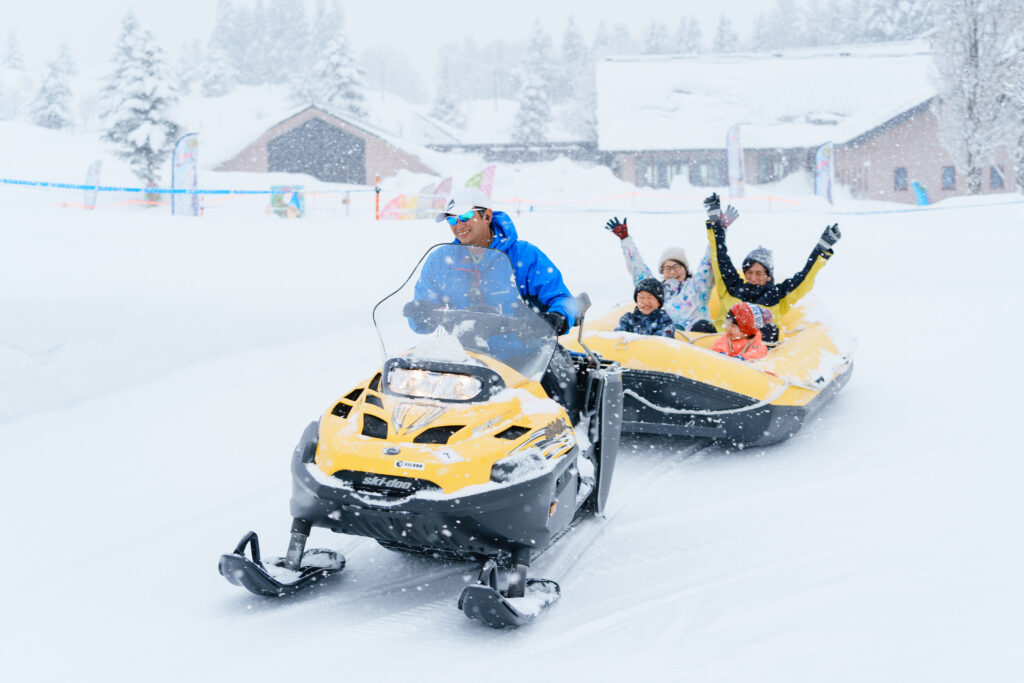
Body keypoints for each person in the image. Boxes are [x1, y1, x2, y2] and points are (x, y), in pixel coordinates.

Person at [404, 187, 579, 413]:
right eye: (451, 219)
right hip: (466, 360)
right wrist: (421, 312)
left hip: (526, 358)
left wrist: (557, 317)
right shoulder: (441, 260)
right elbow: (420, 320)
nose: (458, 225)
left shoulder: (524, 255)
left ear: (487, 216)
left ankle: (569, 430)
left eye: (465, 216)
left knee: (553, 409)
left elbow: (563, 299)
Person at [704, 193, 841, 338]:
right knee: (701, 326)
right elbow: (720, 257)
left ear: (769, 276)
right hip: (721, 345)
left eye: (759, 273)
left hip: (758, 348)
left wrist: (821, 249)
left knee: (770, 329)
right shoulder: (732, 287)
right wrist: (715, 222)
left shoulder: (778, 296)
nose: (752, 277)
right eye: (749, 272)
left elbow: (804, 279)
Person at [604, 215, 724, 333]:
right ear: (662, 272)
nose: (672, 272)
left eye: (677, 267)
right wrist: (625, 240)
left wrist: (719, 229)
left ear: (685, 269)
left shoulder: (697, 287)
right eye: (667, 268)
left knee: (702, 325)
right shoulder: (657, 291)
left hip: (694, 338)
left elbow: (708, 261)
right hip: (664, 338)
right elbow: (638, 268)